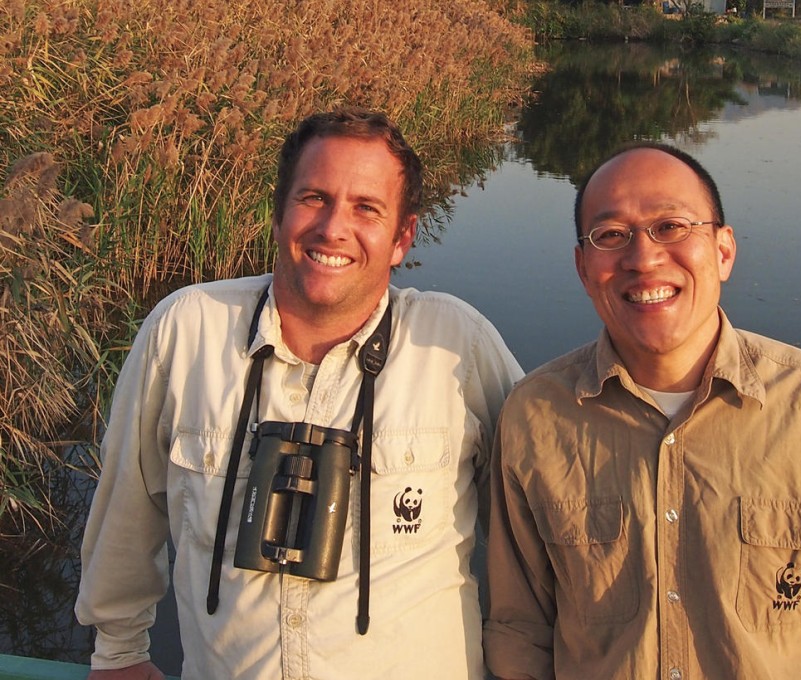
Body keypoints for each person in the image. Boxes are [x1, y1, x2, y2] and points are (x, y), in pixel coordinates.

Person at [76, 107, 523, 679]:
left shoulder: (459, 346)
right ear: (278, 214)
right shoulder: (186, 330)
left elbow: (535, 531)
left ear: (402, 238)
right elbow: (127, 504)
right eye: (314, 198)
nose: (333, 228)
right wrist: (118, 651)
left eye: (366, 208)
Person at [483, 142, 801, 679]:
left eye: (671, 227)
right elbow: (520, 633)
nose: (643, 258)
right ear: (584, 268)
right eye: (611, 235)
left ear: (723, 251)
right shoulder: (536, 417)